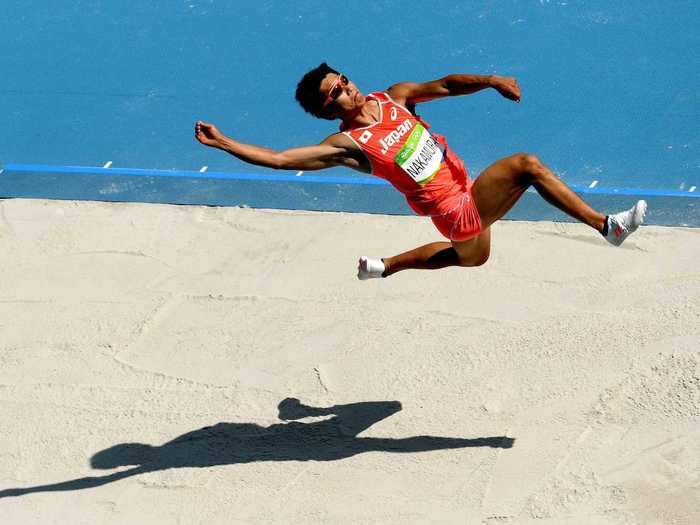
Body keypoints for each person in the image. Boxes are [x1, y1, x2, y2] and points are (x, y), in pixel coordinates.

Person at [195, 63, 646, 280]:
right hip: (454, 208)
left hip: (465, 192)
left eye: (343, 81)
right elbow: (278, 159)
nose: (346, 90)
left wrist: (490, 81)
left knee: (473, 257)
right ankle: (607, 226)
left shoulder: (396, 98)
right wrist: (224, 142)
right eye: (334, 94)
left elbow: (447, 85)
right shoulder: (347, 146)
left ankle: (385, 266)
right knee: (525, 166)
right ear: (326, 110)